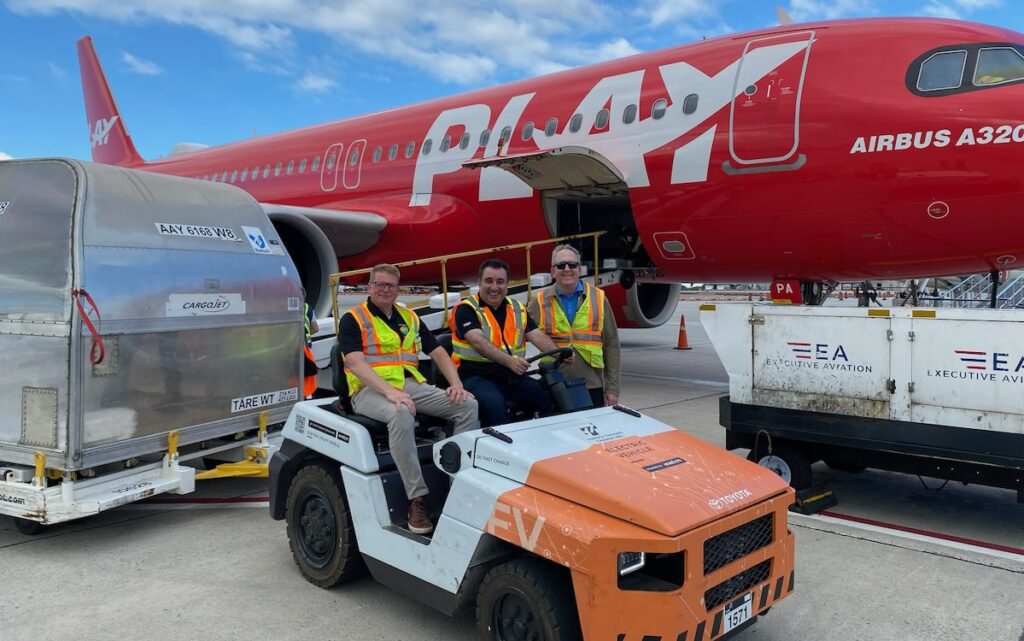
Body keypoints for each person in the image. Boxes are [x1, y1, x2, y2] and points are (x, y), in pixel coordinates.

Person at [339, 264, 479, 535]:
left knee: (467, 404)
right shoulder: (353, 318)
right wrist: (389, 392)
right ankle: (417, 498)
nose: (385, 289)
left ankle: (458, 485)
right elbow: (355, 363)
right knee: (401, 412)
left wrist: (456, 384)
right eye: (379, 284)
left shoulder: (410, 316)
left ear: (397, 289)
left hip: (410, 385)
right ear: (369, 288)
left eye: (391, 285)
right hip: (368, 391)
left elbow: (437, 351)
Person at [449, 258, 561, 427]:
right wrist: (510, 361)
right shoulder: (466, 309)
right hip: (474, 376)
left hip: (509, 375)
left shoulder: (517, 308)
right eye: (489, 281)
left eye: (500, 282)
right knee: (494, 406)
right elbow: (478, 341)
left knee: (546, 397)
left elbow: (536, 335)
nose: (494, 287)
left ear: (507, 284)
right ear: (479, 282)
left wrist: (560, 353)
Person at [528, 245, 621, 408]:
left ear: (580, 269)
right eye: (560, 265)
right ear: (552, 271)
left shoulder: (599, 299)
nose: (567, 269)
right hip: (554, 384)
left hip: (591, 385)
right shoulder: (540, 300)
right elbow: (519, 332)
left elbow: (612, 345)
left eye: (572, 265)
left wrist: (612, 389)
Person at [302, 302, 319, 399]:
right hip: (307, 346)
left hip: (294, 347)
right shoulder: (308, 307)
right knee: (308, 374)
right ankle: (308, 396)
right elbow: (316, 328)